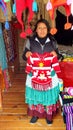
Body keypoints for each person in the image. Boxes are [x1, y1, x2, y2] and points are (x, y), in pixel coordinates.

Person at [22, 18, 63, 124]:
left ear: (48, 29)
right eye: (39, 28)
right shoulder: (30, 41)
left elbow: (59, 57)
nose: (42, 30)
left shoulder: (53, 41)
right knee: (35, 93)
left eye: (44, 28)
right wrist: (26, 55)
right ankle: (35, 114)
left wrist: (56, 55)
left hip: (49, 74)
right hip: (34, 74)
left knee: (49, 94)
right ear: (36, 30)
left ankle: (49, 116)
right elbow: (24, 55)